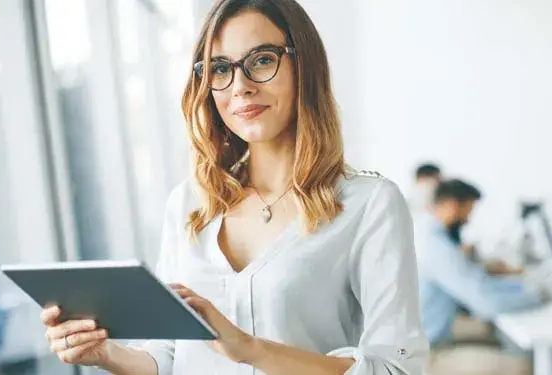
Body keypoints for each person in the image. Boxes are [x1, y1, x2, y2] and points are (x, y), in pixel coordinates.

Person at [39, 1, 429, 374]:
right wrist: (107, 355)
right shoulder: (190, 203)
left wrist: (250, 348)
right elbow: (171, 355)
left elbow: (397, 367)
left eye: (261, 60)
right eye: (220, 69)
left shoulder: (370, 205)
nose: (239, 86)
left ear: (304, 65)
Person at [415, 179, 541, 348]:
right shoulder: (436, 247)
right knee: (524, 364)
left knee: (497, 337)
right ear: (453, 205)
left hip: (431, 338)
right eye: (468, 211)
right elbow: (487, 303)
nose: (468, 220)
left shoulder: (431, 236)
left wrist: (521, 288)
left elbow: (478, 284)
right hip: (429, 351)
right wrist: (539, 296)